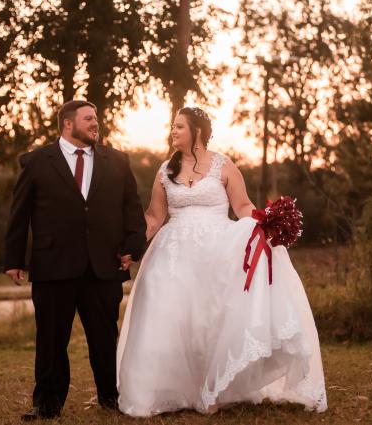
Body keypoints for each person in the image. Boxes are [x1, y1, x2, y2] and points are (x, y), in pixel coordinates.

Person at [116, 107, 327, 416]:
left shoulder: (224, 165)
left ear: (197, 132)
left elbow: (242, 206)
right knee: (171, 318)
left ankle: (214, 388)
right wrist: (131, 248)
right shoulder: (165, 170)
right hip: (172, 255)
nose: (172, 132)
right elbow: (154, 217)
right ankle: (172, 390)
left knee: (211, 320)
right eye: (172, 127)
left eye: (178, 127)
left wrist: (264, 226)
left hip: (219, 251)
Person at [4, 100, 146, 420]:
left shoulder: (118, 161)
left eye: (96, 118)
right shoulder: (37, 162)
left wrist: (132, 247)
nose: (96, 123)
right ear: (68, 124)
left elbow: (132, 209)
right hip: (53, 264)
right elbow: (20, 212)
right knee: (52, 338)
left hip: (103, 264)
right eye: (89, 118)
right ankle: (47, 404)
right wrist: (14, 259)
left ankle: (112, 397)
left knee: (105, 337)